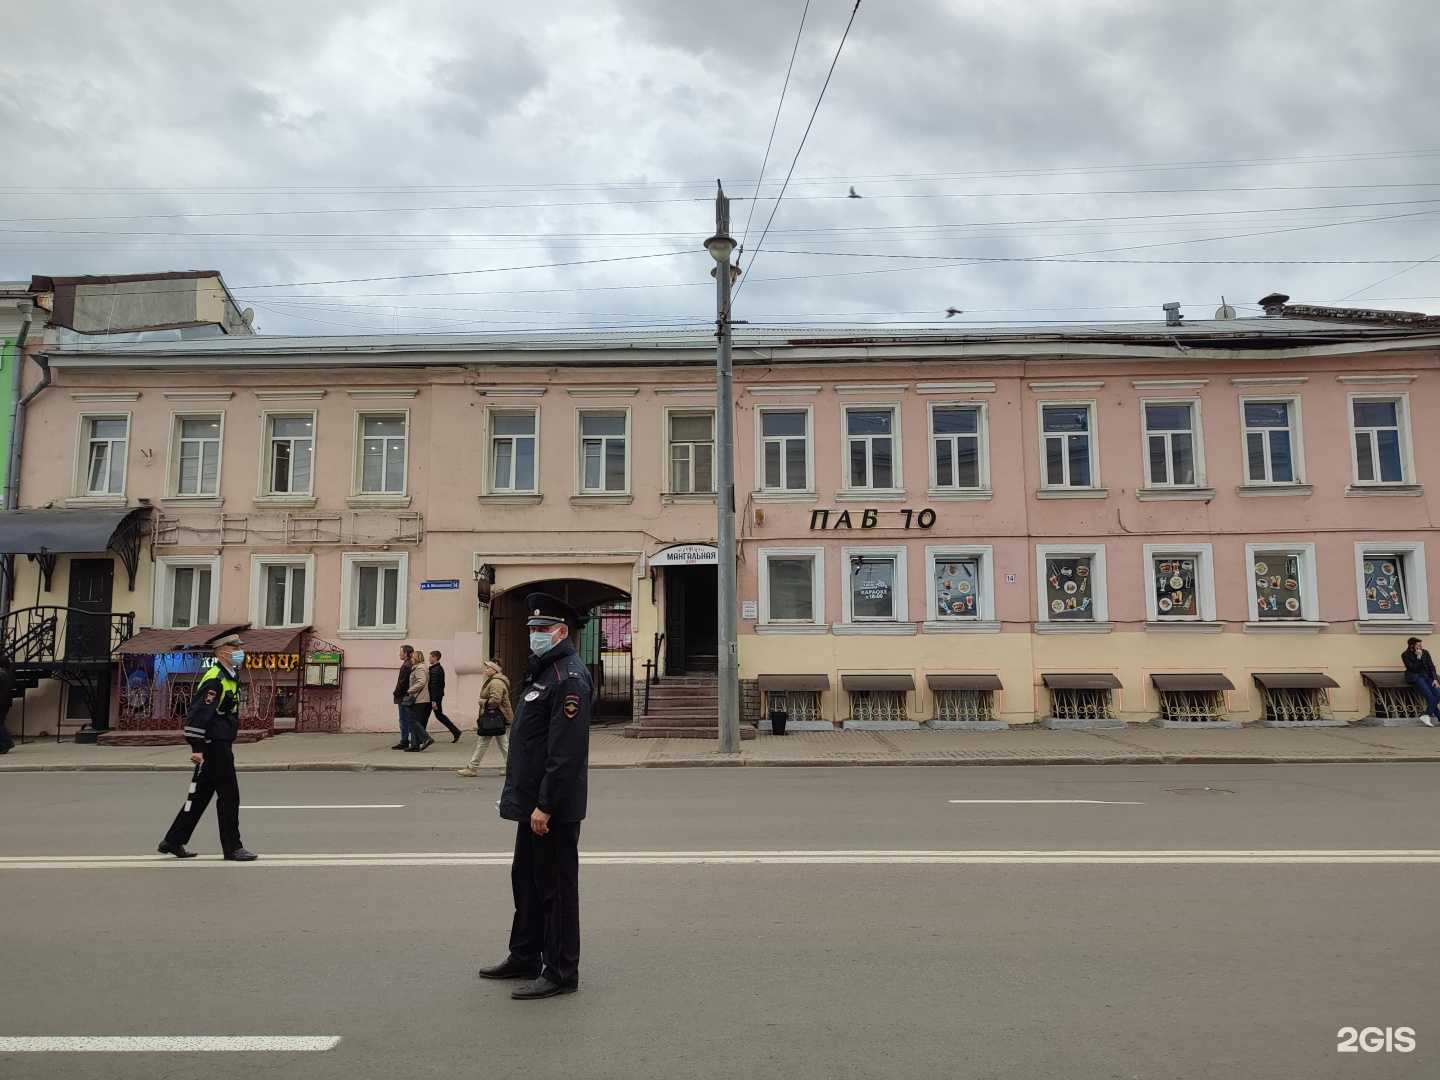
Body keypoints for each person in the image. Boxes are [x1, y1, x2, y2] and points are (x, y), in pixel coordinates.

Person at [478, 592, 591, 1000]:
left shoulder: (568, 677)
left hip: (551, 809)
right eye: (532, 629)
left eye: (542, 629)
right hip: (531, 806)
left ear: (562, 632)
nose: (535, 635)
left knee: (555, 889)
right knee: (525, 881)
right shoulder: (543, 672)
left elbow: (565, 754)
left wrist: (545, 804)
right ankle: (525, 954)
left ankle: (561, 970)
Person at [158, 634, 258, 861]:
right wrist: (197, 747)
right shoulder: (215, 678)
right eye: (235, 648)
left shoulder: (230, 676)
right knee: (230, 797)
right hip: (214, 745)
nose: (239, 652)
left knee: (200, 796)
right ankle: (233, 848)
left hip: (220, 742)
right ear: (222, 651)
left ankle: (173, 841)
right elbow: (198, 714)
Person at [458, 659, 511, 777]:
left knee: (483, 743)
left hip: (493, 717)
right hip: (496, 718)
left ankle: (472, 768)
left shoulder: (496, 682)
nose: (486, 670)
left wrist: (483, 702)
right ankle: (511, 768)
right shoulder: (494, 680)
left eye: (488, 668)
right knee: (503, 744)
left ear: (495, 669)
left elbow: (495, 700)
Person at [1402, 636, 1440, 727]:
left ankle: (1426, 714)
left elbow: (1431, 666)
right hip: (1416, 678)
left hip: (1428, 677)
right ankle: (1433, 716)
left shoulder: (1425, 652)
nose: (1420, 646)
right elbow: (1413, 669)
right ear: (1412, 646)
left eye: (1420, 644)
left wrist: (1435, 679)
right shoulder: (1405, 655)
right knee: (1430, 697)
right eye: (1418, 645)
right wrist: (1418, 657)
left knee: (1438, 694)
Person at [428, 649, 462, 742]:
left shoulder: (436, 670)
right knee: (438, 715)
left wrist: (434, 701)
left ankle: (421, 737)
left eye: (430, 657)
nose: (429, 659)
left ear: (435, 657)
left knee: (434, 715)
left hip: (434, 698)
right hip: (435, 697)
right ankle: (456, 731)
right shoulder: (436, 668)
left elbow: (435, 686)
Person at [405, 648, 434, 751]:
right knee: (416, 722)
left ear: (416, 658)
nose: (411, 659)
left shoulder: (419, 668)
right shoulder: (420, 667)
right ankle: (415, 745)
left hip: (419, 699)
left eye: (412, 657)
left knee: (413, 721)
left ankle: (426, 738)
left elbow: (421, 682)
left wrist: (410, 690)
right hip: (421, 698)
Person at [392, 645, 414, 751]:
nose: (399, 654)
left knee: (404, 720)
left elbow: (402, 683)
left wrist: (396, 693)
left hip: (403, 697)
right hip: (407, 696)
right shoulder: (410, 663)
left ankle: (405, 741)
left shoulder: (406, 665)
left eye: (401, 652)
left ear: (406, 653)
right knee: (408, 719)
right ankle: (410, 740)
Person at [0, 661, 15, 754]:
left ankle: (6, 742)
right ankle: (6, 742)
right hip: (5, 702)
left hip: (1, 702)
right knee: (1, 722)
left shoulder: (1, 675)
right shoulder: (7, 674)